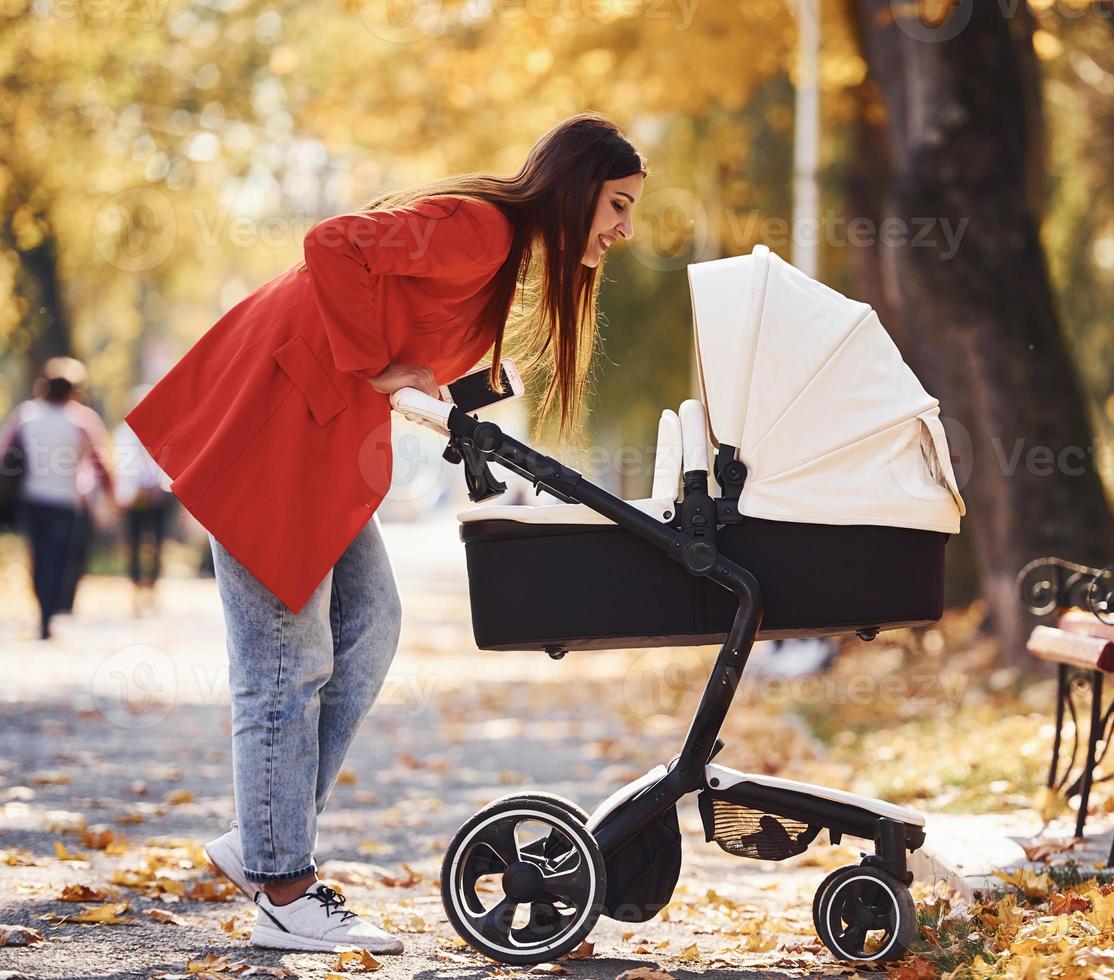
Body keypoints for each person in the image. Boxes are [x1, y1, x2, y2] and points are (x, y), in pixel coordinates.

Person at [124, 113, 645, 954]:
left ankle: (261, 835)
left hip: (317, 446)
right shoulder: (482, 229)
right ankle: (284, 887)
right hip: (275, 433)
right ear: (577, 190)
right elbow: (334, 243)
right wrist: (372, 364)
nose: (624, 229)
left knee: (368, 628)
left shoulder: (501, 264)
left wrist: (441, 394)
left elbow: (413, 339)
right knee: (284, 665)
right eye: (617, 204)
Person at [0, 357, 117, 640]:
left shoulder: (26, 415)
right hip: (65, 501)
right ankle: (48, 614)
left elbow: (5, 454)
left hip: (32, 499)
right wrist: (112, 496)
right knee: (57, 560)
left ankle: (43, 610)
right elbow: (100, 463)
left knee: (37, 557)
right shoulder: (81, 420)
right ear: (73, 390)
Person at [113, 383, 175, 615]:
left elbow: (168, 462)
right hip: (134, 496)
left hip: (159, 494)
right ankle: (136, 589)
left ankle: (153, 588)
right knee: (134, 543)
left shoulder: (164, 428)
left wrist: (161, 486)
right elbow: (123, 464)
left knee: (158, 543)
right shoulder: (124, 432)